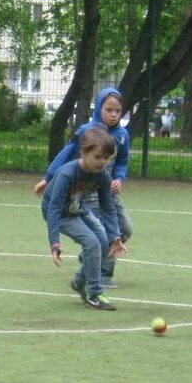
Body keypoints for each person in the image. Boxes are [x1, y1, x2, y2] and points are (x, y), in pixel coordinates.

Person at [33, 87, 133, 288]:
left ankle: (90, 256)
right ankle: (103, 273)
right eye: (108, 110)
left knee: (126, 229)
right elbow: (66, 154)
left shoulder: (122, 135)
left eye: (118, 111)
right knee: (101, 233)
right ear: (99, 108)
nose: (113, 115)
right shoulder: (86, 132)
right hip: (88, 192)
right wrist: (48, 177)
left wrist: (120, 179)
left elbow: (122, 162)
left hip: (108, 191)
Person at [40, 125, 127, 311]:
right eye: (97, 157)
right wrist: (54, 243)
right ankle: (94, 294)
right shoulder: (66, 174)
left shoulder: (102, 175)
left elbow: (108, 208)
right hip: (61, 214)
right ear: (83, 152)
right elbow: (54, 209)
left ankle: (79, 281)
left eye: (106, 158)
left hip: (79, 206)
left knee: (103, 242)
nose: (102, 162)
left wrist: (115, 237)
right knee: (91, 243)